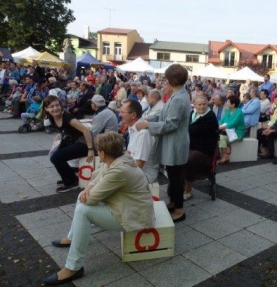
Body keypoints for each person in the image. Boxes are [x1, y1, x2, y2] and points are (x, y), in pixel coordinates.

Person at [43, 132, 155, 285]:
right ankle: (72, 237)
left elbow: (91, 199)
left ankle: (73, 267)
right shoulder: (117, 159)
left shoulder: (119, 170)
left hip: (133, 216)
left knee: (83, 210)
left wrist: (87, 192)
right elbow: (98, 175)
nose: (97, 152)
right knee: (82, 198)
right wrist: (89, 187)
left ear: (102, 153)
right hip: (126, 206)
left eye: (98, 150)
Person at [135, 64, 191, 222]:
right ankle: (174, 203)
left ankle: (179, 211)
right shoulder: (177, 95)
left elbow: (170, 124)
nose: (165, 81)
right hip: (172, 143)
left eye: (167, 78)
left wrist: (148, 125)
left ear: (172, 80)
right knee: (173, 177)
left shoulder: (179, 98)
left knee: (175, 178)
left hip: (175, 144)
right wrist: (149, 119)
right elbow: (164, 117)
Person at [44, 95, 95, 193]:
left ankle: (72, 182)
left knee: (56, 157)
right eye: (51, 106)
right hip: (73, 140)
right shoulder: (51, 117)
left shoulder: (67, 117)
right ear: (46, 109)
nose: (55, 108)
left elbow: (86, 131)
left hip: (84, 142)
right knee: (56, 154)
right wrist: (60, 135)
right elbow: (65, 129)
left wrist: (90, 150)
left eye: (57, 105)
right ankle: (68, 176)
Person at [182, 96, 219, 200]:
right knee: (178, 156)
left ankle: (189, 187)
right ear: (194, 105)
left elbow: (195, 130)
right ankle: (180, 183)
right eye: (199, 104)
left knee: (189, 160)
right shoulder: (191, 114)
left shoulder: (210, 116)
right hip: (190, 146)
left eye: (204, 104)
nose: (202, 107)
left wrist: (188, 129)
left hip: (204, 149)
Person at [217, 95, 246, 164]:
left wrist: (219, 127)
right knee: (217, 136)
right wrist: (218, 125)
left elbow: (232, 124)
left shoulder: (239, 113)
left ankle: (225, 156)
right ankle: (221, 154)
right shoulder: (228, 111)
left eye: (228, 102)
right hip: (227, 132)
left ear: (233, 104)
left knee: (221, 137)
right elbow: (221, 120)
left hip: (236, 133)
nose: (226, 103)